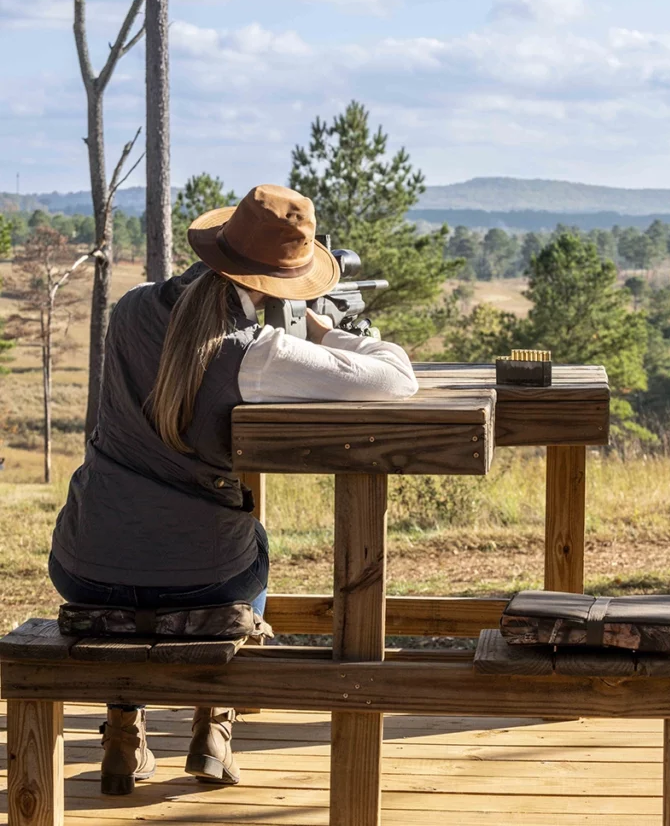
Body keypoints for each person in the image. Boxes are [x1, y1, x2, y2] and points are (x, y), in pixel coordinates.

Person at [49, 184, 418, 796]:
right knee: (249, 538)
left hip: (82, 565)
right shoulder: (258, 353)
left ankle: (122, 733)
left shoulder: (131, 309)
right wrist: (323, 335)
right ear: (275, 287)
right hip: (206, 579)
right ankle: (215, 727)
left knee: (142, 545)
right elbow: (397, 378)